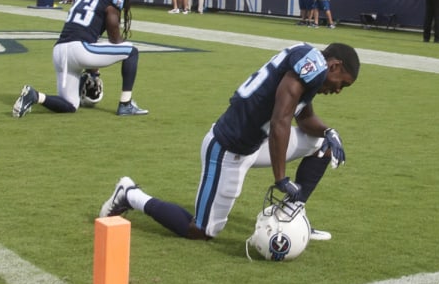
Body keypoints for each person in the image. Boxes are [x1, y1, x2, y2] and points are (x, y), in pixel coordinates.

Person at [98, 42, 359, 241]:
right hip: (228, 148)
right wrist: (281, 178)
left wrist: (329, 131)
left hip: (257, 142)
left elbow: (304, 120)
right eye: (342, 84)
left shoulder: (308, 64)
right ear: (334, 66)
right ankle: (130, 194)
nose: (337, 90)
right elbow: (281, 120)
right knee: (201, 230)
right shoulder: (313, 67)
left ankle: (290, 215)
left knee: (322, 145)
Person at [11, 0, 148, 117]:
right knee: (132, 52)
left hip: (59, 51)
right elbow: (115, 40)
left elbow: (87, 37)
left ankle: (35, 96)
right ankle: (125, 104)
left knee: (70, 105)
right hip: (79, 50)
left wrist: (94, 73)